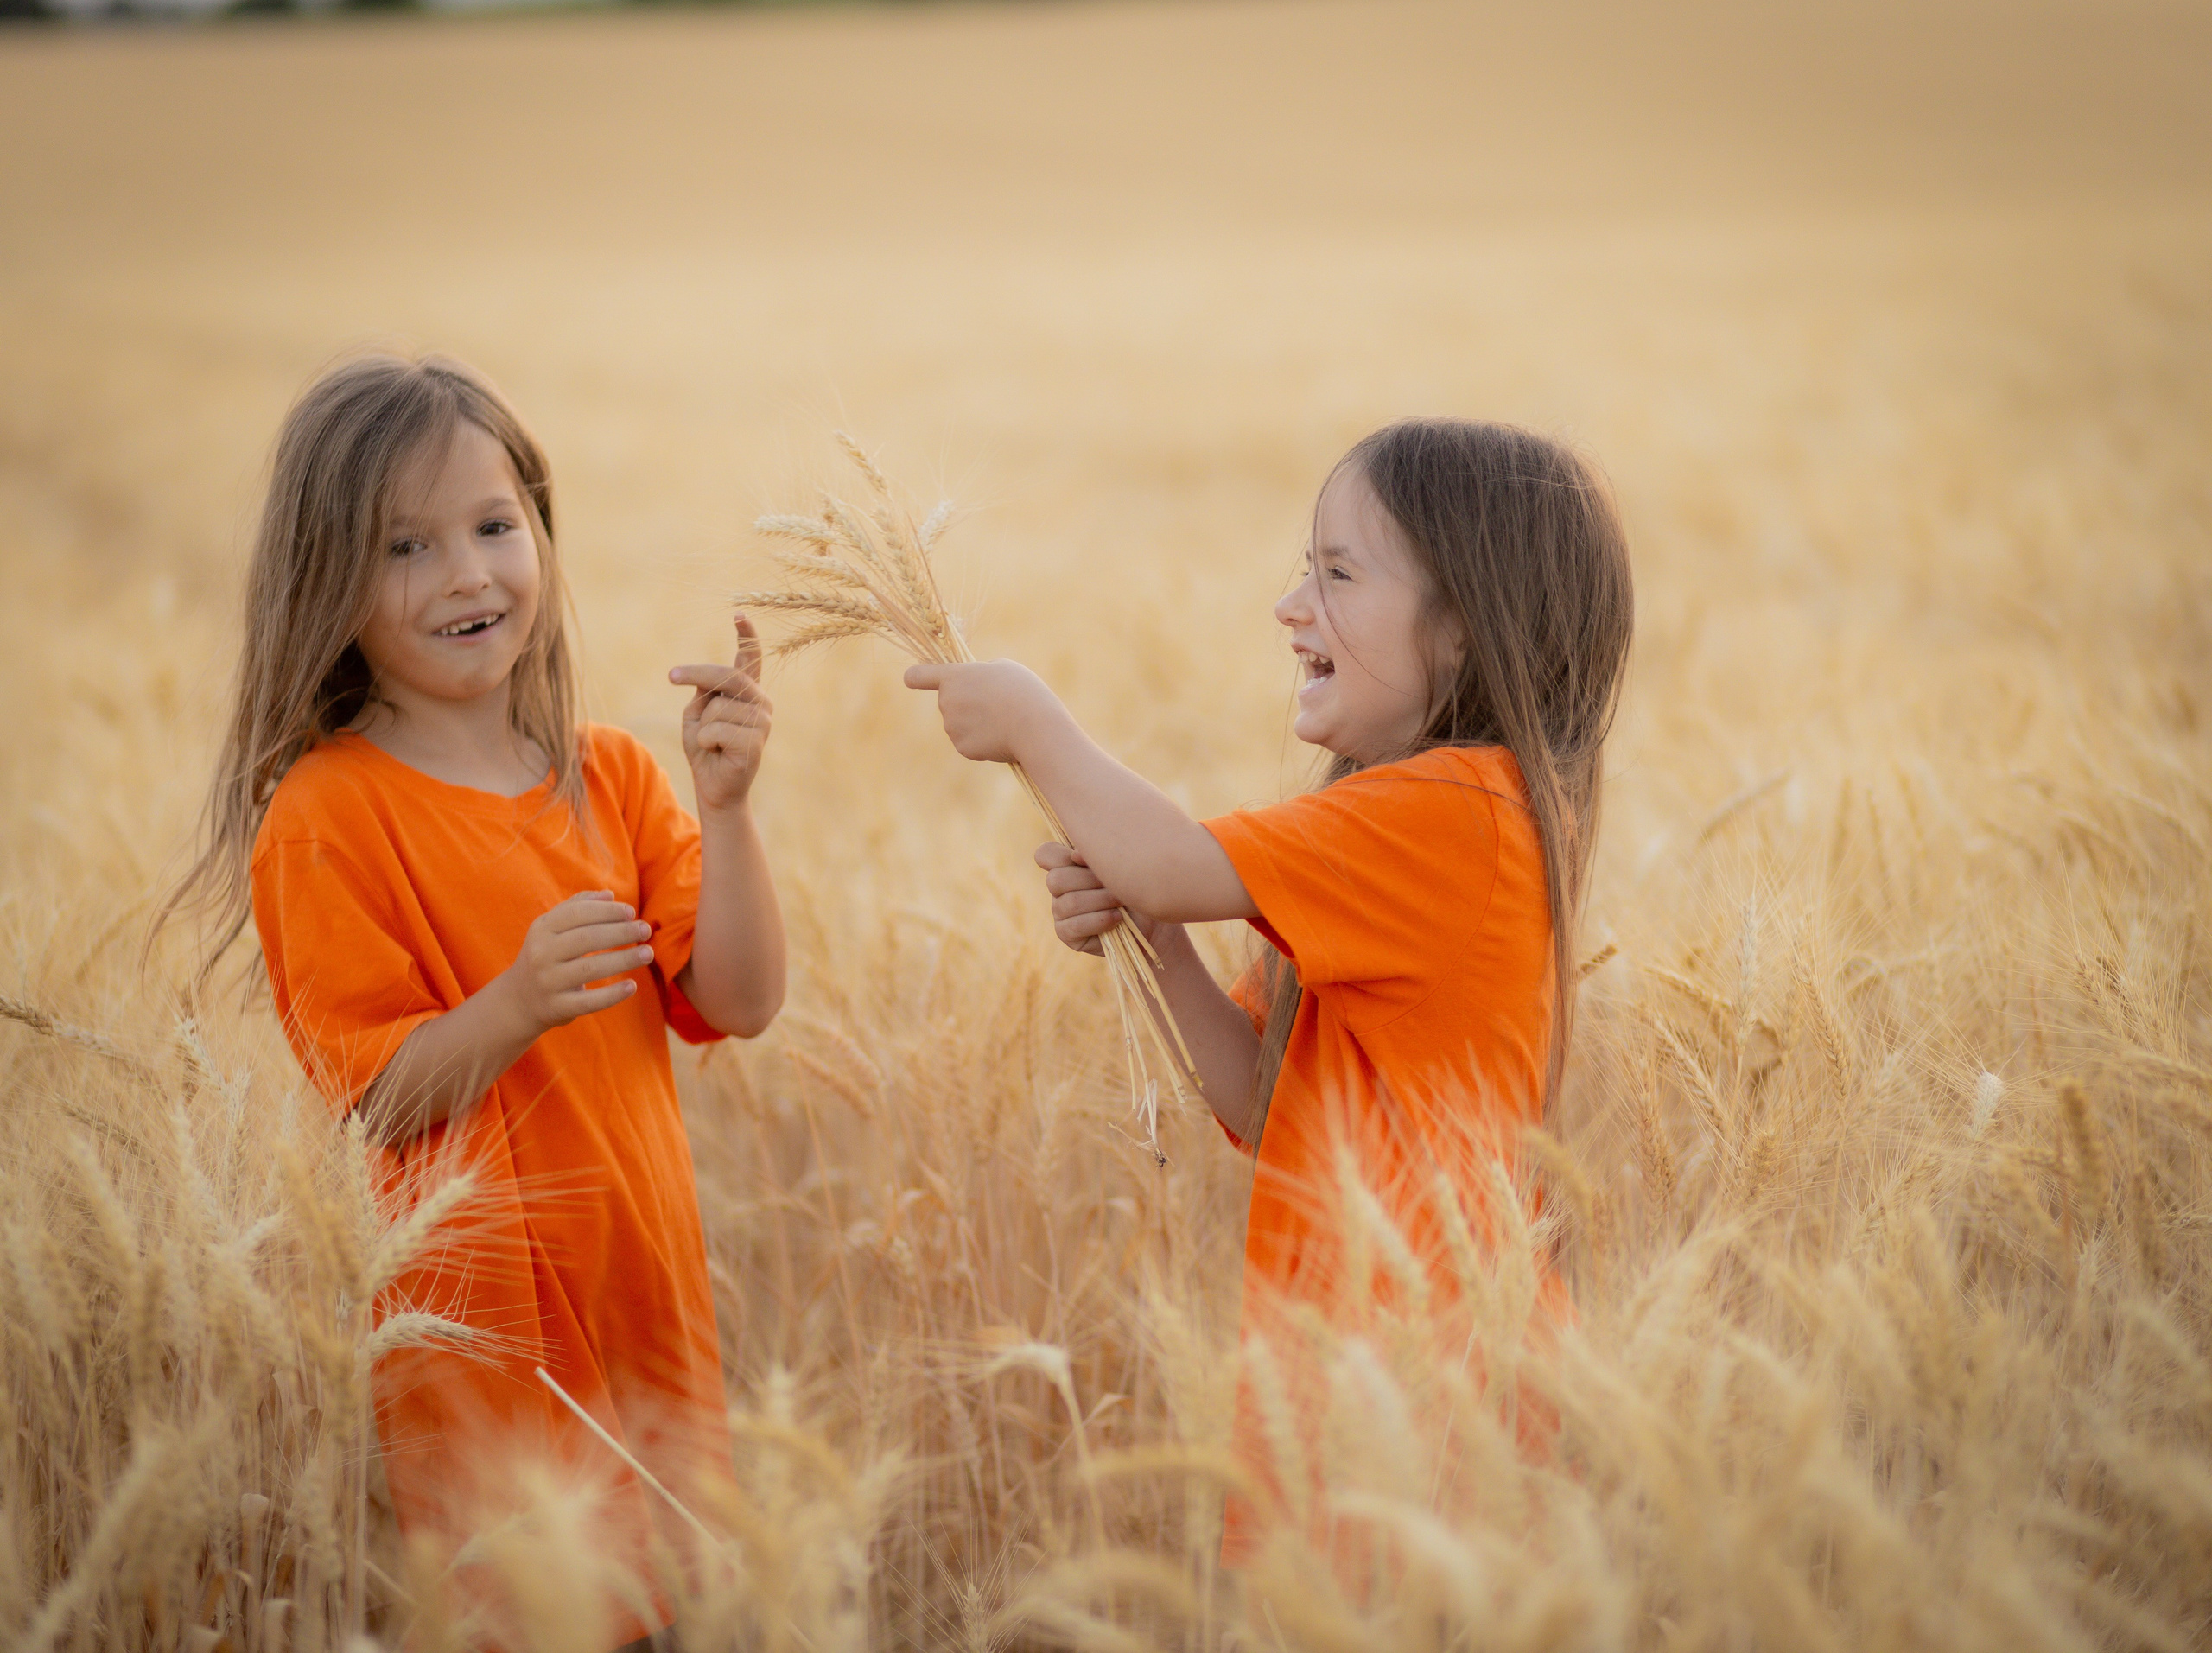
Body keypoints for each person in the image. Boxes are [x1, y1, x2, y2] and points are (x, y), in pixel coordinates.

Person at [906, 417, 1633, 1560]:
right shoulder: (1410, 824)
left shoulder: (1461, 810)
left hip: (1434, 1408)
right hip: (1346, 1395)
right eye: (1303, 569)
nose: (1291, 606)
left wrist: (1030, 723)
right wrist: (1155, 936)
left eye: (1337, 574)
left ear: (1461, 627)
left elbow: (1163, 853)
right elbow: (1258, 1101)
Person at [160, 353, 785, 1649]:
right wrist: (515, 1002)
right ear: (327, 584)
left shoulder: (608, 775)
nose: (468, 574)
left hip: (641, 1294)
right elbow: (376, 1095)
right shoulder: (329, 812)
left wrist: (725, 813)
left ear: (541, 534)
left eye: (497, 527)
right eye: (406, 545)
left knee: (672, 1602)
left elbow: (742, 996)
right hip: (482, 1334)